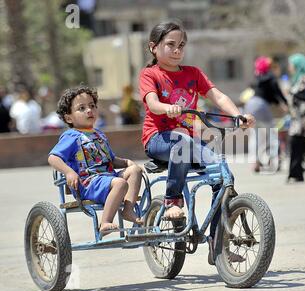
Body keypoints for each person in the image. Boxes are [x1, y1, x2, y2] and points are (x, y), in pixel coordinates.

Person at [139, 21, 255, 264]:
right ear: (153, 47)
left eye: (181, 45)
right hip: (158, 138)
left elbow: (218, 96)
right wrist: (167, 108)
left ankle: (217, 243)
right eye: (170, 45)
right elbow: (152, 103)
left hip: (187, 142)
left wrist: (238, 116)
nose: (177, 50)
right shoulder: (150, 74)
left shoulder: (193, 73)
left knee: (223, 175)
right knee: (181, 141)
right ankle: (172, 201)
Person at [48, 86, 143, 237]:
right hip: (88, 183)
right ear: (68, 118)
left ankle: (128, 209)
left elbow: (110, 160)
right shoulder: (71, 136)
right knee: (120, 183)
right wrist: (69, 172)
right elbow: (53, 158)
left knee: (136, 170)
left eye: (92, 106)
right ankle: (105, 222)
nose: (89, 110)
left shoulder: (99, 134)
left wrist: (126, 163)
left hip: (107, 180)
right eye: (82, 108)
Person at [244, 56, 288, 172]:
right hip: (261, 106)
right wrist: (285, 103)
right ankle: (274, 160)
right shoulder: (271, 77)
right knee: (272, 134)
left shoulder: (258, 78)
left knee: (255, 136)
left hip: (250, 104)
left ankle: (255, 162)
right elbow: (277, 93)